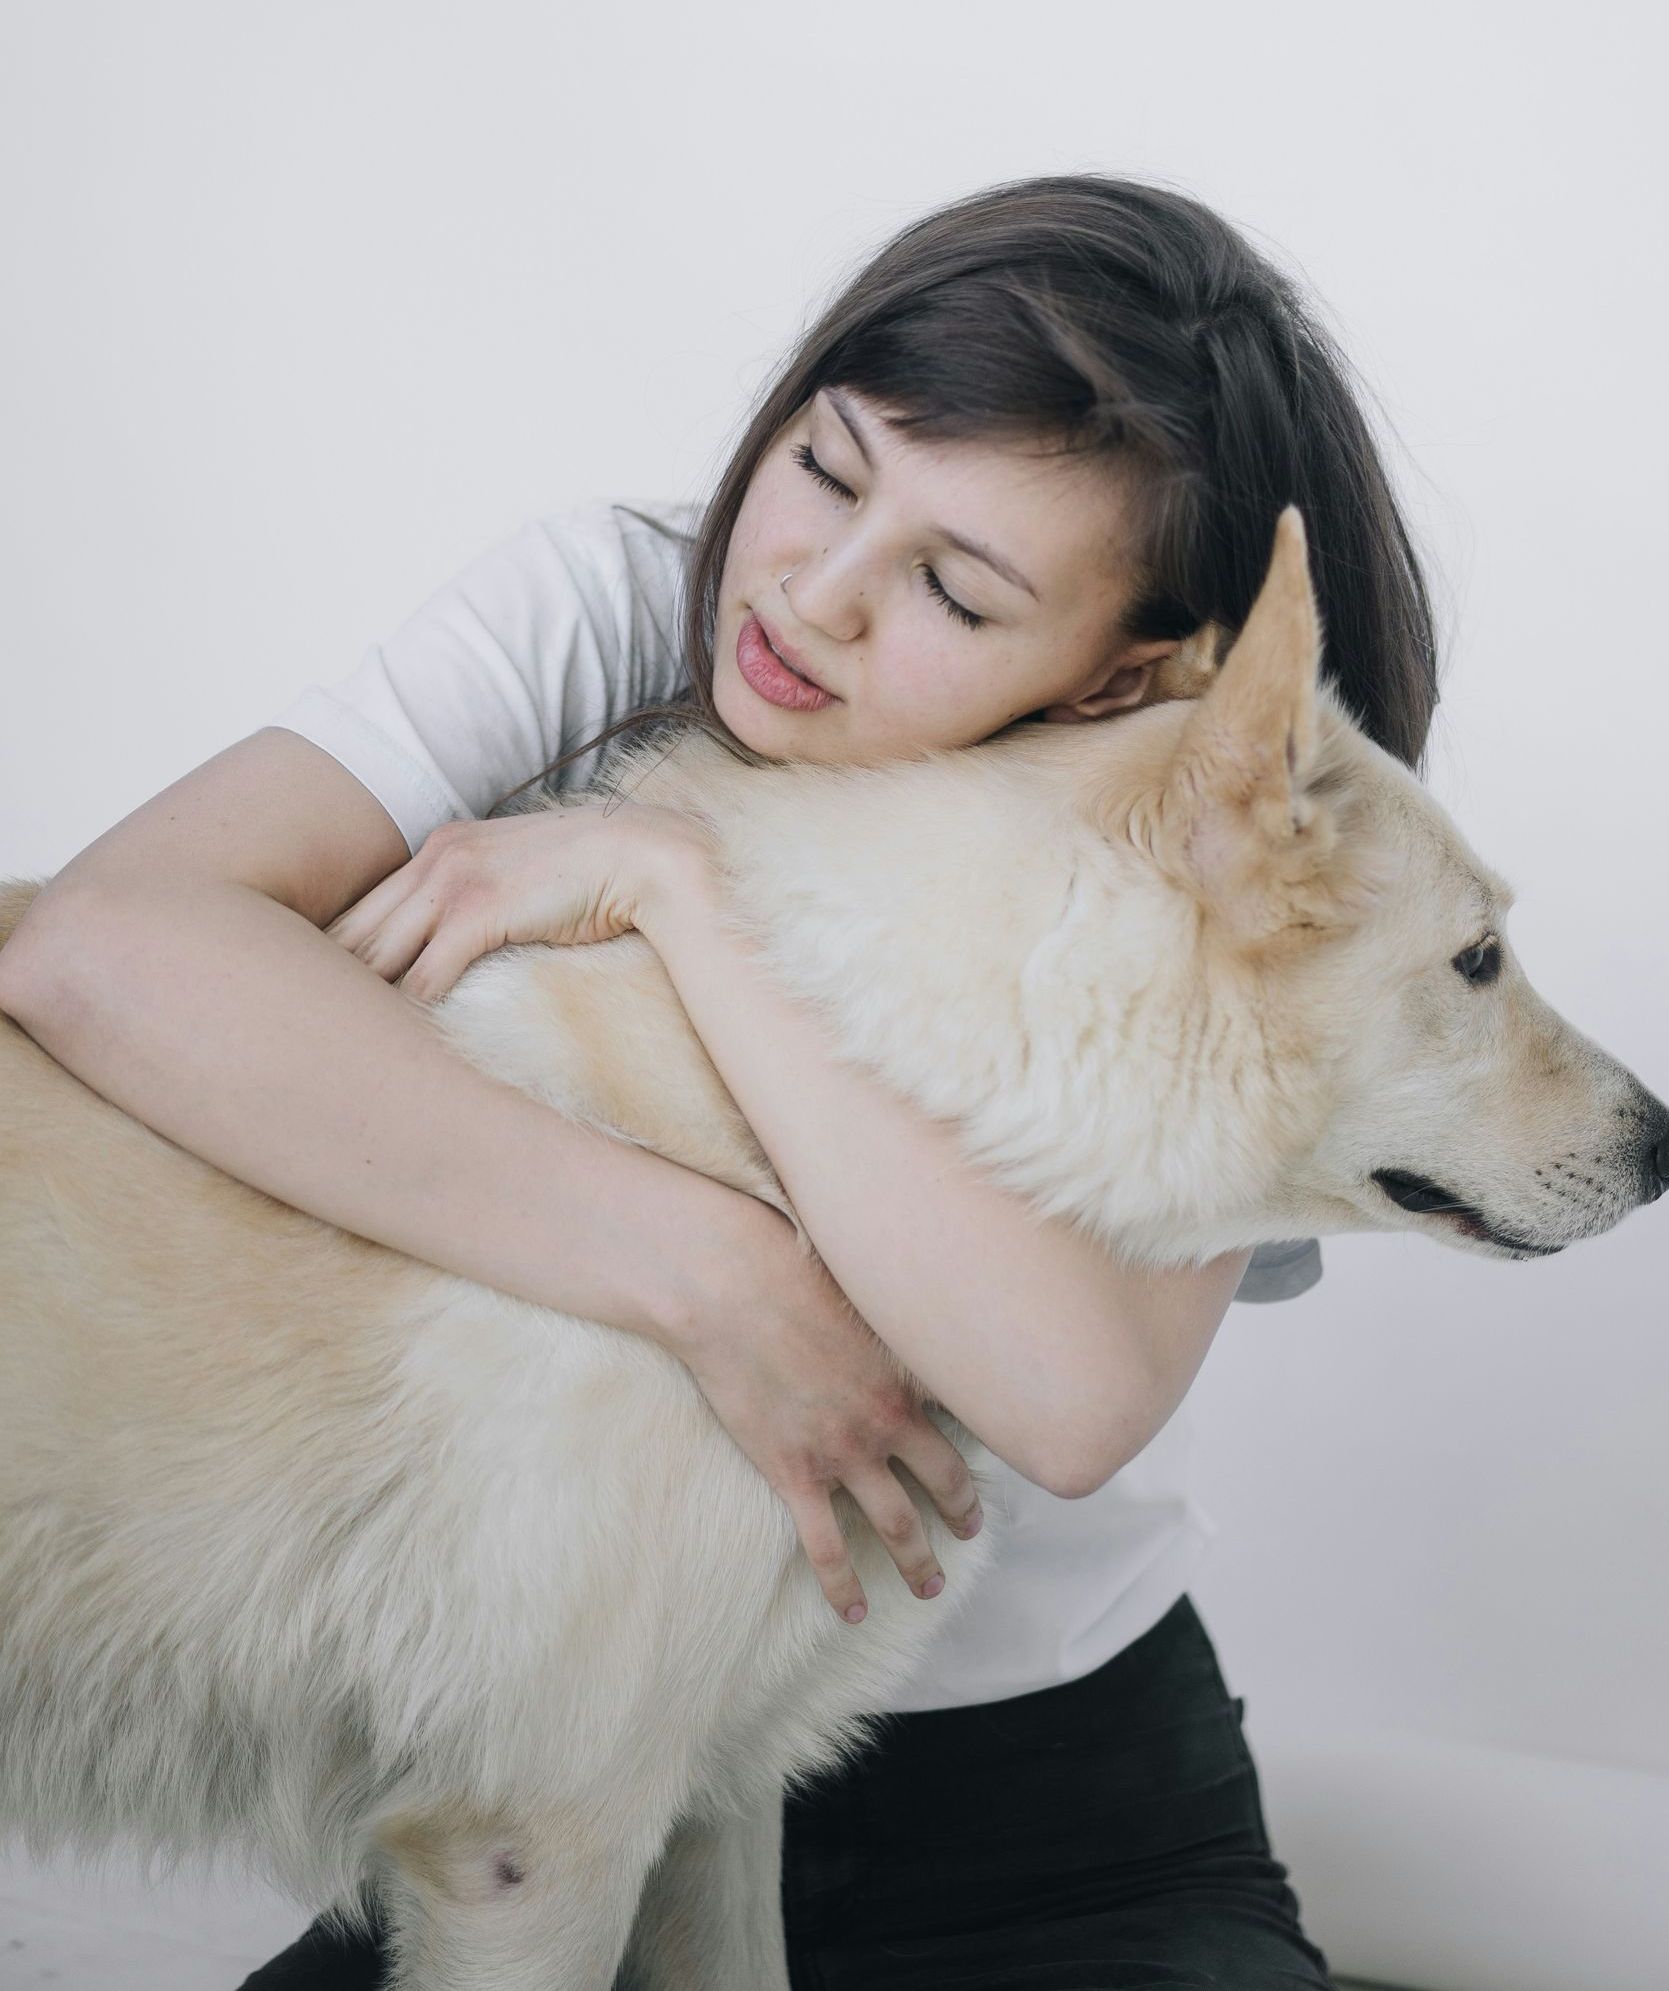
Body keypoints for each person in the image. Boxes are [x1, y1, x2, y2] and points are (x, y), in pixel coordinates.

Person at [0, 171, 1437, 1987]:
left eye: (954, 589)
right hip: (566, 1723)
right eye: (829, 469)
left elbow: (1071, 1399)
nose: (813, 597)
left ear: (1119, 682)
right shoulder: (615, 607)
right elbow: (102, 950)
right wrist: (713, 1274)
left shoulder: (1205, 855)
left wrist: (679, 890)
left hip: (1044, 1807)